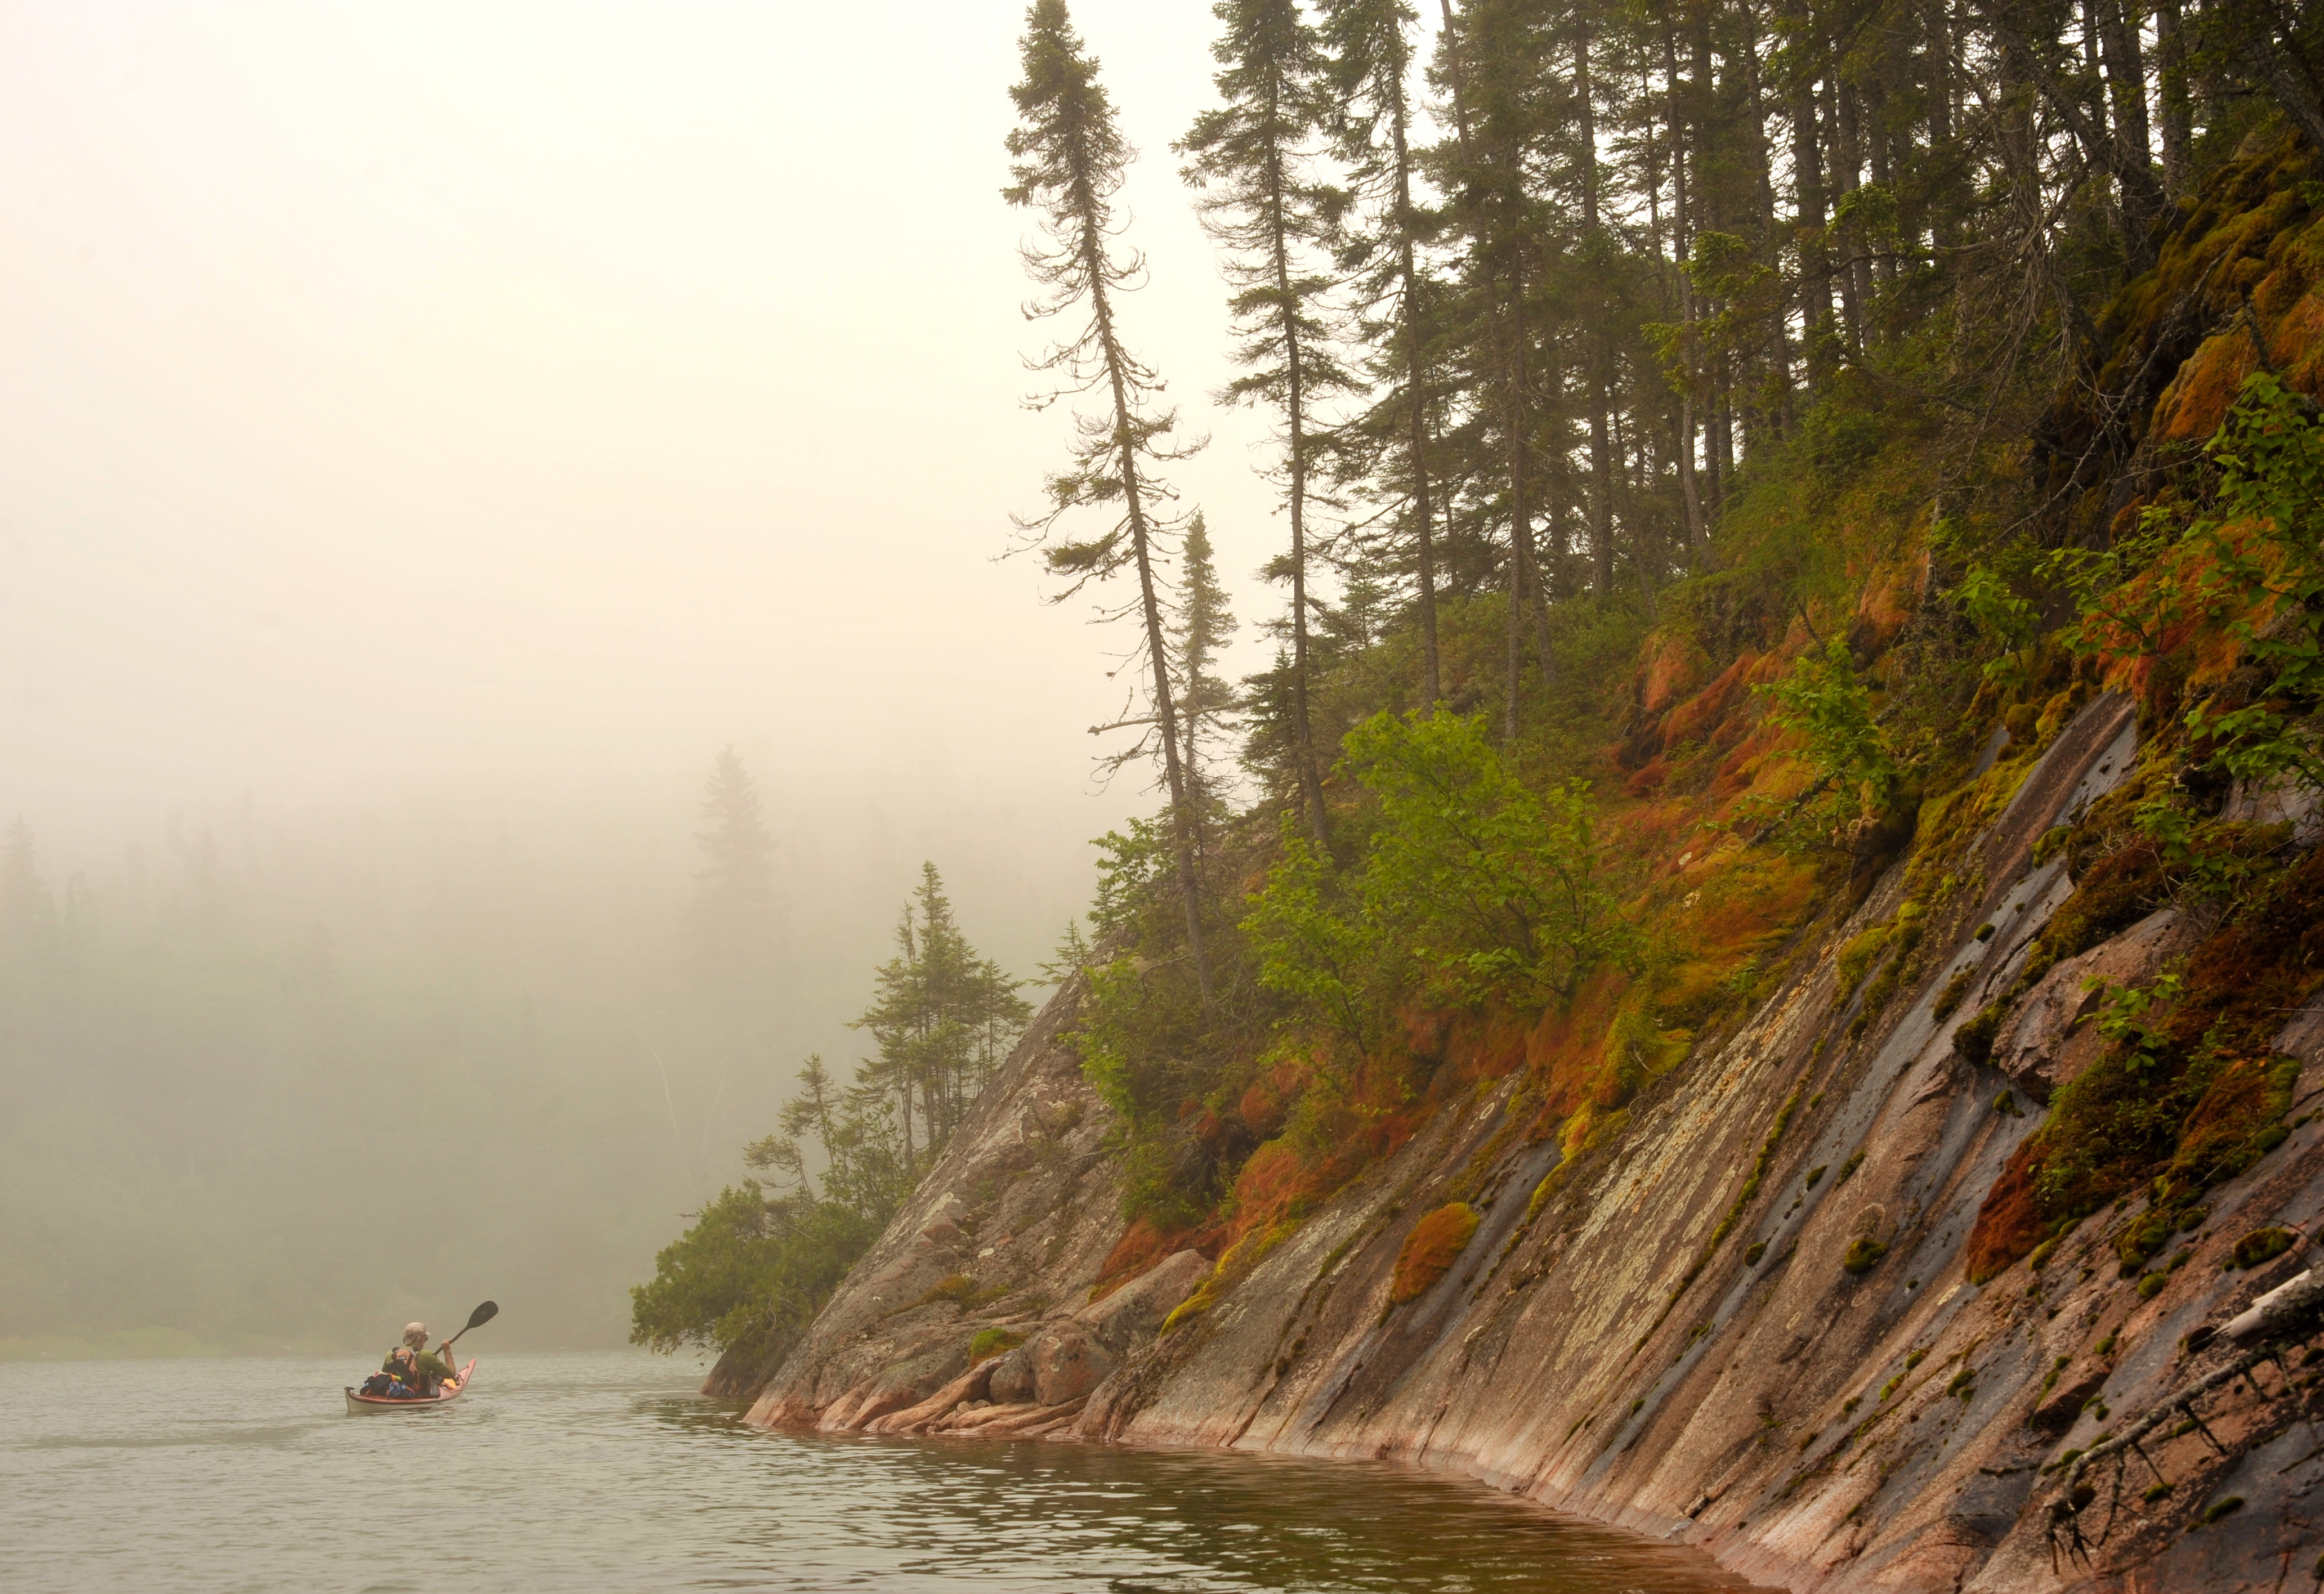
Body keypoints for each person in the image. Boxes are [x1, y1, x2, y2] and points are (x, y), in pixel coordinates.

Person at [382, 1322, 459, 1397]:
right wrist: (447, 1349)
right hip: (419, 1396)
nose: (425, 1341)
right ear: (420, 1339)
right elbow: (451, 1374)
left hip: (393, 1394)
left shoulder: (391, 1354)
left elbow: (384, 1375)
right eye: (425, 1338)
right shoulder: (426, 1355)